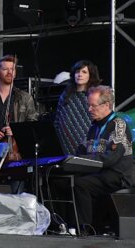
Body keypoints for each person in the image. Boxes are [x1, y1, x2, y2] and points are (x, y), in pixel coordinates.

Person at [73, 85, 133, 229]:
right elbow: (81, 151)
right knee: (65, 180)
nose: (89, 110)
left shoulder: (118, 124)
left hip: (118, 174)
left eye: (93, 106)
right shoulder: (94, 127)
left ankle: (85, 228)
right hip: (99, 172)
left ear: (106, 105)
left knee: (81, 184)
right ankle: (65, 225)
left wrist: (85, 162)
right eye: (89, 105)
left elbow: (111, 158)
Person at [0, 55, 38, 145]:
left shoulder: (26, 98)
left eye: (12, 69)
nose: (9, 72)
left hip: (16, 148)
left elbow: (33, 123)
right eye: (5, 69)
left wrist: (16, 130)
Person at [54, 60, 102, 155]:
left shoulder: (94, 96)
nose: (79, 74)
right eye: (77, 71)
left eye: (84, 72)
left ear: (90, 75)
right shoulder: (66, 94)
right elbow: (57, 120)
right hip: (64, 142)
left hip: (88, 142)